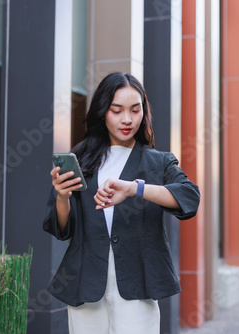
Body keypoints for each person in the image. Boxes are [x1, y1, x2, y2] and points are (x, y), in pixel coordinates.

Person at [42, 72, 200, 333]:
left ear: (143, 112)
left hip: (138, 277)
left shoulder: (158, 162)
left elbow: (189, 197)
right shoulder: (82, 158)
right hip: (86, 278)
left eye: (135, 110)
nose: (127, 119)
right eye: (117, 111)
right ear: (103, 112)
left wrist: (134, 189)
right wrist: (62, 196)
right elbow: (61, 228)